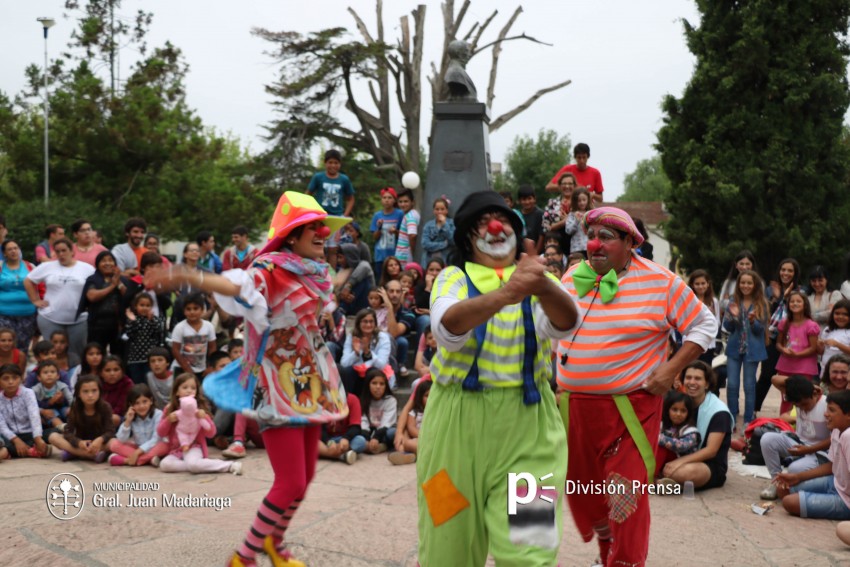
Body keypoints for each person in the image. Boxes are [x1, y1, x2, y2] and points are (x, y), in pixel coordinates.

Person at [143, 191, 349, 567]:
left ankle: (275, 544)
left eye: (323, 227)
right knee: (289, 482)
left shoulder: (316, 272)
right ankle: (243, 557)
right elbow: (236, 289)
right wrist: (187, 275)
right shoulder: (268, 269)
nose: (322, 233)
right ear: (291, 236)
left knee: (303, 481)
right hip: (275, 386)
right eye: (312, 227)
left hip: (310, 383)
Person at [418, 190, 577, 567]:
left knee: (531, 551)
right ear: (467, 239)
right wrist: (507, 293)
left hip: (530, 429)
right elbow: (447, 327)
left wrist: (540, 285)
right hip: (453, 431)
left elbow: (567, 322)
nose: (495, 227)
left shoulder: (539, 281)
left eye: (504, 220)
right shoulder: (453, 277)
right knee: (447, 546)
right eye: (483, 222)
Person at [556, 206, 716, 567]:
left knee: (624, 495)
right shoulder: (572, 277)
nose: (595, 244)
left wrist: (670, 369)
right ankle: (607, 552)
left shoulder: (662, 281)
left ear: (630, 242)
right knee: (585, 495)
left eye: (606, 237)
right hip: (575, 409)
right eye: (591, 236)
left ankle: (625, 561)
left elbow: (705, 324)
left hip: (629, 410)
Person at [775, 390, 850, 520]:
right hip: (836, 483)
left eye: (832, 410)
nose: (826, 414)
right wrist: (797, 477)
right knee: (782, 489)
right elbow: (832, 466)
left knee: (789, 502)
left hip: (846, 499)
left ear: (848, 415)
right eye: (827, 409)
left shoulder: (848, 436)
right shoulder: (837, 430)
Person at [664, 361, 733, 491]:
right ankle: (667, 479)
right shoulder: (681, 402)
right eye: (688, 378)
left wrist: (680, 461)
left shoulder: (719, 411)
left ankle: (666, 479)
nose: (692, 382)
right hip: (678, 455)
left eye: (698, 379)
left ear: (707, 384)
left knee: (684, 472)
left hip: (708, 465)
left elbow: (711, 450)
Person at [758, 376, 830, 500]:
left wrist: (808, 450)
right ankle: (777, 482)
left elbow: (834, 439)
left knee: (794, 468)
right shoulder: (799, 395)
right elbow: (774, 379)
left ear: (814, 394)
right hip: (798, 443)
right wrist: (804, 385)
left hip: (820, 452)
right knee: (767, 439)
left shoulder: (826, 405)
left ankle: (790, 486)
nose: (802, 408)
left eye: (805, 404)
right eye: (798, 406)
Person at [155, 373, 240, 474]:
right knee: (165, 465)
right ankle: (199, 465)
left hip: (194, 447)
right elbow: (161, 433)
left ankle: (229, 465)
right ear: (177, 391)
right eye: (185, 387)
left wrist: (205, 418)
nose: (189, 390)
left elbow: (211, 433)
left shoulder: (199, 409)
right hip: (177, 450)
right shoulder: (170, 409)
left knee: (193, 464)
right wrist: (168, 420)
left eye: (193, 388)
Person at [24, 237, 95, 359]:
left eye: (64, 250)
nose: (61, 254)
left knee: (77, 354)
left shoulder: (87, 268)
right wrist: (35, 300)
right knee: (52, 353)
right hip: (50, 318)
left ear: (72, 251)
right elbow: (28, 280)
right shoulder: (47, 266)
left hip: (79, 319)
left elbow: (95, 286)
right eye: (58, 251)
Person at [723, 269, 769, 429]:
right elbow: (727, 327)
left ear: (755, 285)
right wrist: (733, 316)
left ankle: (748, 419)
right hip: (734, 349)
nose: (746, 285)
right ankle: (732, 417)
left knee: (749, 386)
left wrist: (752, 321)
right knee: (732, 385)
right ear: (738, 284)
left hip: (753, 350)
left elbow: (760, 330)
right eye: (742, 282)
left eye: (749, 283)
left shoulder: (761, 303)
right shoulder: (733, 301)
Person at [47, 374, 115, 462]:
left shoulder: (105, 407)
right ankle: (88, 454)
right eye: (85, 391)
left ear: (100, 391)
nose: (90, 395)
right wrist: (78, 442)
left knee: (114, 442)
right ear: (79, 394)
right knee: (53, 437)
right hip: (81, 443)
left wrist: (100, 439)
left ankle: (74, 453)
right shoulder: (75, 407)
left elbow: (110, 431)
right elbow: (68, 432)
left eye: (94, 391)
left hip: (99, 444)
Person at [79, 250, 129, 356]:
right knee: (96, 353)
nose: (107, 263)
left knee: (118, 355)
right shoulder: (93, 279)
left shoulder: (122, 279)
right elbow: (92, 296)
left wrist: (118, 282)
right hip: (97, 325)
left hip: (118, 325)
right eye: (103, 261)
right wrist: (112, 286)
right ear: (97, 264)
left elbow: (128, 297)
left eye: (110, 260)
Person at [306, 148, 356, 254]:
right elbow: (307, 195)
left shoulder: (344, 179)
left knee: (333, 249)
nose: (333, 165)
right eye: (330, 162)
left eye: (336, 163)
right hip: (321, 216)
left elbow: (351, 199)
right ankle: (320, 265)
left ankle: (331, 266)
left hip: (337, 217)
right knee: (320, 246)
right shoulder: (318, 177)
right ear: (325, 163)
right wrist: (310, 212)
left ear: (340, 164)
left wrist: (344, 217)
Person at [107, 384, 169, 466]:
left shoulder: (158, 414)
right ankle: (149, 459)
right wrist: (128, 421)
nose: (141, 406)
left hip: (154, 447)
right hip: (137, 447)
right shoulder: (131, 416)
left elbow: (156, 439)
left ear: (151, 401)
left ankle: (128, 460)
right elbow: (121, 439)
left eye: (145, 401)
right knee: (113, 443)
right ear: (131, 405)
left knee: (165, 446)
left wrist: (137, 453)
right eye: (137, 403)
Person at [0, 364, 53, 458]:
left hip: (30, 434)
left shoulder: (28, 393)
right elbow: (1, 425)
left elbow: (34, 416)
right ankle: (31, 451)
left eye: (15, 378)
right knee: (3, 443)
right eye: (5, 378)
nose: (10, 382)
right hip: (10, 437)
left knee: (52, 435)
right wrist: (16, 440)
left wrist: (37, 438)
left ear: (21, 379)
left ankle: (14, 452)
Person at [340, 308, 393, 396]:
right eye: (365, 321)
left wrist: (367, 352)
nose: (368, 325)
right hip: (357, 374)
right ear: (359, 323)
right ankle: (349, 399)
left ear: (375, 323)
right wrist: (356, 353)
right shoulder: (352, 337)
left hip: (375, 373)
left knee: (371, 372)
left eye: (371, 321)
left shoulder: (383, 337)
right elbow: (344, 363)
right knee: (347, 371)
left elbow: (381, 365)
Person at [0, 240, 38, 351]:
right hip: (4, 314)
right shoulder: (1, 267)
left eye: (15, 248)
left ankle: (21, 363)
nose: (13, 251)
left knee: (23, 347)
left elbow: (40, 287)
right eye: (10, 249)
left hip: (27, 313)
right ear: (4, 253)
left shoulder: (30, 267)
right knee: (5, 346)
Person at [654, 390, 700, 480]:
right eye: (674, 410)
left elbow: (682, 446)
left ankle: (651, 478)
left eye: (683, 411)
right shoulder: (664, 425)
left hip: (682, 464)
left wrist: (658, 438)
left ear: (688, 413)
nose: (678, 414)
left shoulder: (690, 430)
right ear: (667, 410)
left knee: (662, 448)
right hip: (666, 462)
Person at [171, 292, 217, 380]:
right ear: (184, 311)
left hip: (202, 369)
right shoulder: (180, 327)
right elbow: (175, 350)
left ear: (202, 310)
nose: (192, 312)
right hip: (182, 368)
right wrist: (186, 368)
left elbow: (212, 348)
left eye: (195, 308)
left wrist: (210, 366)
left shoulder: (209, 326)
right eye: (188, 309)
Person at [124, 292, 166, 384]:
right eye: (142, 305)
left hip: (149, 358)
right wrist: (133, 321)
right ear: (136, 306)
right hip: (135, 358)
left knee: (149, 381)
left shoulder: (154, 319)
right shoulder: (132, 319)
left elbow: (158, 330)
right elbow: (129, 333)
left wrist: (151, 320)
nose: (145, 308)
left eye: (148, 305)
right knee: (137, 381)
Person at [389, 379, 430, 466]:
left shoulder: (438, 413)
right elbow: (411, 428)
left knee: (408, 444)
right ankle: (405, 455)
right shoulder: (415, 412)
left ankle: (414, 455)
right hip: (418, 438)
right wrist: (421, 436)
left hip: (430, 440)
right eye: (427, 396)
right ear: (420, 397)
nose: (430, 399)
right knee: (405, 434)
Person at [380, 279, 416, 376]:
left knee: (402, 342)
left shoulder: (408, 314)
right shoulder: (377, 309)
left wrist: (389, 308)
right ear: (385, 293)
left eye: (398, 291)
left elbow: (393, 333)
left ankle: (399, 365)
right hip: (377, 342)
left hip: (396, 342)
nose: (394, 295)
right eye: (391, 291)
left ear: (402, 294)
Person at [318, 392, 363, 465]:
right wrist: (328, 441)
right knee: (310, 442)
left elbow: (356, 426)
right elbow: (319, 428)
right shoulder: (321, 399)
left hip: (344, 439)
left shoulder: (352, 399)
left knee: (360, 441)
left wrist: (346, 438)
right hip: (326, 439)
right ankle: (342, 456)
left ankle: (329, 453)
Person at [360, 368, 397, 454]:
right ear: (368, 385)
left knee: (392, 433)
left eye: (382, 384)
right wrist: (367, 438)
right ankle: (374, 447)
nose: (378, 387)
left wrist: (376, 437)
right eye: (374, 383)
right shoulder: (363, 400)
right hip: (369, 432)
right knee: (358, 436)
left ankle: (383, 445)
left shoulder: (390, 400)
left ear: (386, 386)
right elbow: (363, 421)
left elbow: (387, 422)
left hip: (384, 431)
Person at [371, 187, 404, 277]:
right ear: (381, 200)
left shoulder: (400, 214)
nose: (387, 200)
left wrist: (395, 231)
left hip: (395, 254)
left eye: (389, 198)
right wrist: (379, 228)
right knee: (380, 279)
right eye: (384, 198)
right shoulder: (377, 215)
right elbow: (374, 237)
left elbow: (403, 235)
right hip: (380, 255)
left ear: (394, 200)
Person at [334, 243, 375, 316]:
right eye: (338, 257)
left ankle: (343, 309)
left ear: (349, 257)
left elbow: (365, 267)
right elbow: (337, 289)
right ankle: (342, 309)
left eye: (341, 257)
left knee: (363, 281)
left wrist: (348, 285)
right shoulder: (342, 270)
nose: (338, 260)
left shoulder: (363, 265)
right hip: (350, 304)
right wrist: (343, 296)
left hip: (365, 303)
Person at [32, 360, 73, 430]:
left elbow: (70, 398)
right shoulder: (35, 389)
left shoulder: (62, 386)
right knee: (52, 415)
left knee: (69, 412)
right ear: (39, 377)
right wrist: (42, 411)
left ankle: (75, 428)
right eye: (45, 372)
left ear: (58, 376)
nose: (49, 375)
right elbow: (32, 405)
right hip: (47, 411)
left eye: (52, 372)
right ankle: (64, 429)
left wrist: (72, 407)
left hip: (62, 408)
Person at [718, 250, 757, 314]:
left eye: (747, 264)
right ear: (736, 265)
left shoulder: (758, 282)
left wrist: (731, 301)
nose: (744, 267)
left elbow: (760, 303)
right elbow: (721, 303)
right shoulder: (728, 283)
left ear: (752, 265)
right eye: (741, 264)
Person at [420, 196, 455, 264]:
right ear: (434, 211)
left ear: (446, 210)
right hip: (429, 259)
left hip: (446, 259)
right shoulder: (428, 225)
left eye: (442, 209)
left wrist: (445, 224)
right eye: (437, 209)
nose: (439, 212)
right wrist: (443, 244)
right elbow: (425, 244)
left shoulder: (452, 224)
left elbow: (453, 241)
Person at [100, 355, 134, 424]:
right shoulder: (98, 384)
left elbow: (120, 408)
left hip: (122, 417)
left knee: (113, 418)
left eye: (116, 370)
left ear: (122, 371)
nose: (112, 373)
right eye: (107, 370)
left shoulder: (127, 384)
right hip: (100, 415)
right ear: (101, 373)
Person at [808, 265, 842, 331]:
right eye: (814, 281)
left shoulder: (834, 294)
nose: (817, 284)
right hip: (810, 333)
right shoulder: (807, 297)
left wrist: (810, 316)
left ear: (827, 280)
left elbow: (831, 313)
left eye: (820, 280)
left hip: (830, 332)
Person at [819, 301, 850, 368]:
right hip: (825, 369)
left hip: (844, 371)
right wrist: (820, 345)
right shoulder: (828, 329)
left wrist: (837, 344)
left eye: (845, 314)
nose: (840, 317)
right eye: (837, 313)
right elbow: (821, 352)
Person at [564, 186, 594, 255]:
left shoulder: (592, 214)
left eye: (584, 200)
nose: (582, 203)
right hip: (576, 249)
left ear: (588, 200)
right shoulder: (572, 215)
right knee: (579, 262)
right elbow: (568, 231)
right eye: (579, 201)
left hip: (590, 247)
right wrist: (576, 221)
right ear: (575, 202)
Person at [516, 185, 545, 254]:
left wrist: (535, 254)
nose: (527, 202)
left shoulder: (540, 214)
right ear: (519, 201)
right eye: (524, 199)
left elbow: (542, 236)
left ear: (534, 199)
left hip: (537, 252)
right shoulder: (517, 215)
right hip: (521, 253)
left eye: (529, 198)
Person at [394, 188, 420, 264]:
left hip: (405, 257)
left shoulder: (410, 216)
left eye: (406, 201)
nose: (403, 204)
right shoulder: (412, 214)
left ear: (413, 202)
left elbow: (412, 235)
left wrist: (413, 253)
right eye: (400, 202)